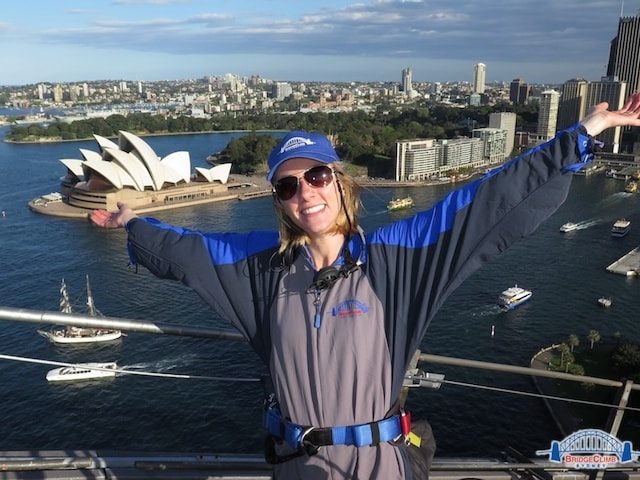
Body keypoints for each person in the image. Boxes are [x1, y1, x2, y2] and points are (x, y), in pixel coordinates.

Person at [90, 93, 640, 479]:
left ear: (341, 182)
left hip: (380, 468)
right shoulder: (258, 268)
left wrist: (581, 134)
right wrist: (131, 224)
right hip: (296, 466)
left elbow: (483, 203)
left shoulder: (396, 260)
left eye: (318, 175)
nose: (305, 192)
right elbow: (187, 251)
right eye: (288, 184)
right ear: (279, 201)